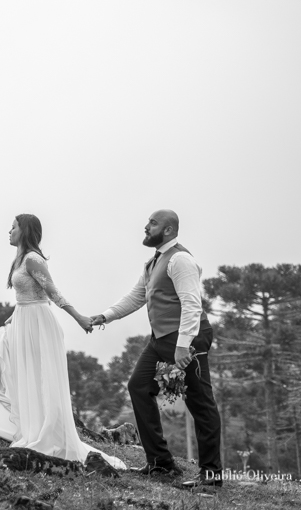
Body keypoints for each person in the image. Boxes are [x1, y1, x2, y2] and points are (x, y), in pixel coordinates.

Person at [0, 214, 127, 469]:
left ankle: (30, 426)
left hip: (38, 325)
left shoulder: (33, 259)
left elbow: (52, 292)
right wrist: (10, 320)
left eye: (13, 227)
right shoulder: (20, 259)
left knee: (38, 378)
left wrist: (79, 317)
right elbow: (23, 299)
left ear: (24, 230)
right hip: (21, 320)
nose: (9, 231)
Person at [89, 209, 223, 489]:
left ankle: (211, 477)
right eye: (148, 222)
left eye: (153, 223)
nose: (146, 227)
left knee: (200, 403)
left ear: (169, 230)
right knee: (138, 386)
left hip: (188, 339)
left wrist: (183, 345)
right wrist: (104, 316)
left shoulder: (181, 260)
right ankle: (161, 464)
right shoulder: (153, 263)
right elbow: (137, 296)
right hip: (161, 339)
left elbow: (191, 304)